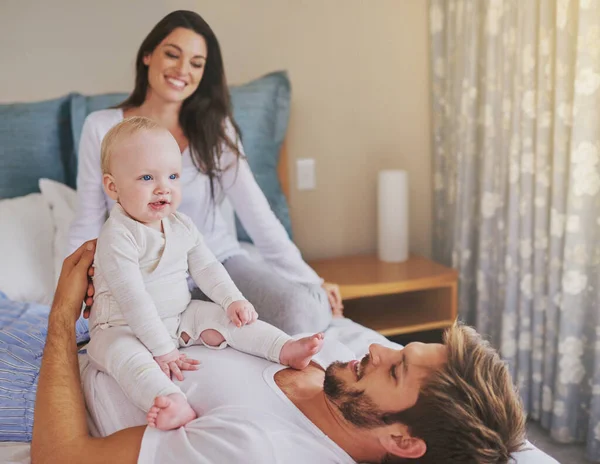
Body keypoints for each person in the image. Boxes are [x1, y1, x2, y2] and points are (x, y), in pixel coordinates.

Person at [32, 241, 527, 464]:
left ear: (401, 441)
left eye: (395, 371)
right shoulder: (330, 364)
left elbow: (59, 458)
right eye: (400, 349)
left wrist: (61, 316)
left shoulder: (256, 448)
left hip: (57, 373)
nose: (375, 347)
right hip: (119, 328)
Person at [68, 10, 342, 336]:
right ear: (147, 55)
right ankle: (199, 323)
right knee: (117, 333)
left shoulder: (216, 129)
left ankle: (208, 319)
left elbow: (257, 214)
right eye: (172, 54)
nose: (183, 70)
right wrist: (73, 290)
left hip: (218, 262)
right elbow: (88, 219)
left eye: (196, 63)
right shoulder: (102, 127)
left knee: (305, 312)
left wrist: (310, 281)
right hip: (144, 272)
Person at [87, 116, 324, 431]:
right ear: (112, 187)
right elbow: (133, 298)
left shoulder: (181, 224)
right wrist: (162, 350)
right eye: (146, 177)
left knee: (224, 318)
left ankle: (282, 347)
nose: (163, 188)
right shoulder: (118, 235)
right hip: (121, 326)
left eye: (173, 176)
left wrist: (232, 300)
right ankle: (169, 399)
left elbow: (207, 266)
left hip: (178, 315)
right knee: (125, 357)